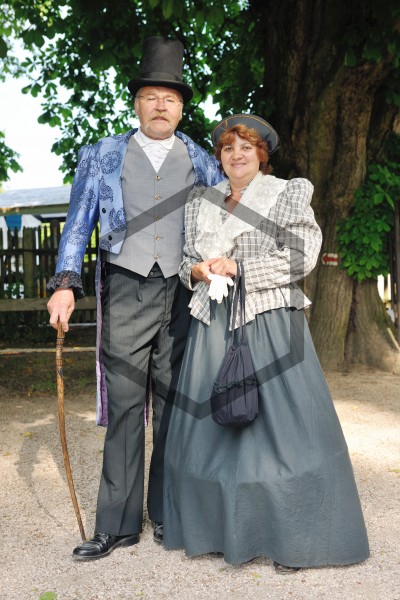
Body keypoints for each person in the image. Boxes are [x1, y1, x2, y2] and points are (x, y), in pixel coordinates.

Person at [163, 115, 370, 572]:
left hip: (269, 318)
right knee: (211, 432)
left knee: (286, 430)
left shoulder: (286, 192)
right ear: (219, 157)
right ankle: (218, 530)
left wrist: (240, 268)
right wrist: (197, 271)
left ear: (262, 154)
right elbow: (186, 261)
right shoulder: (201, 202)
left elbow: (301, 254)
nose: (236, 155)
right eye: (227, 148)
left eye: (246, 147)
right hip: (212, 322)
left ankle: (295, 537)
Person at [46, 36, 222, 561]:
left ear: (181, 108)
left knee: (173, 405)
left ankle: (167, 512)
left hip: (184, 291)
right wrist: (64, 284)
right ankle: (117, 525)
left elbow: (226, 219)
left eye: (170, 97)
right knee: (125, 405)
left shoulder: (202, 159)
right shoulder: (102, 155)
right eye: (151, 96)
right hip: (125, 285)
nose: (160, 105)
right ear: (137, 104)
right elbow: (78, 223)